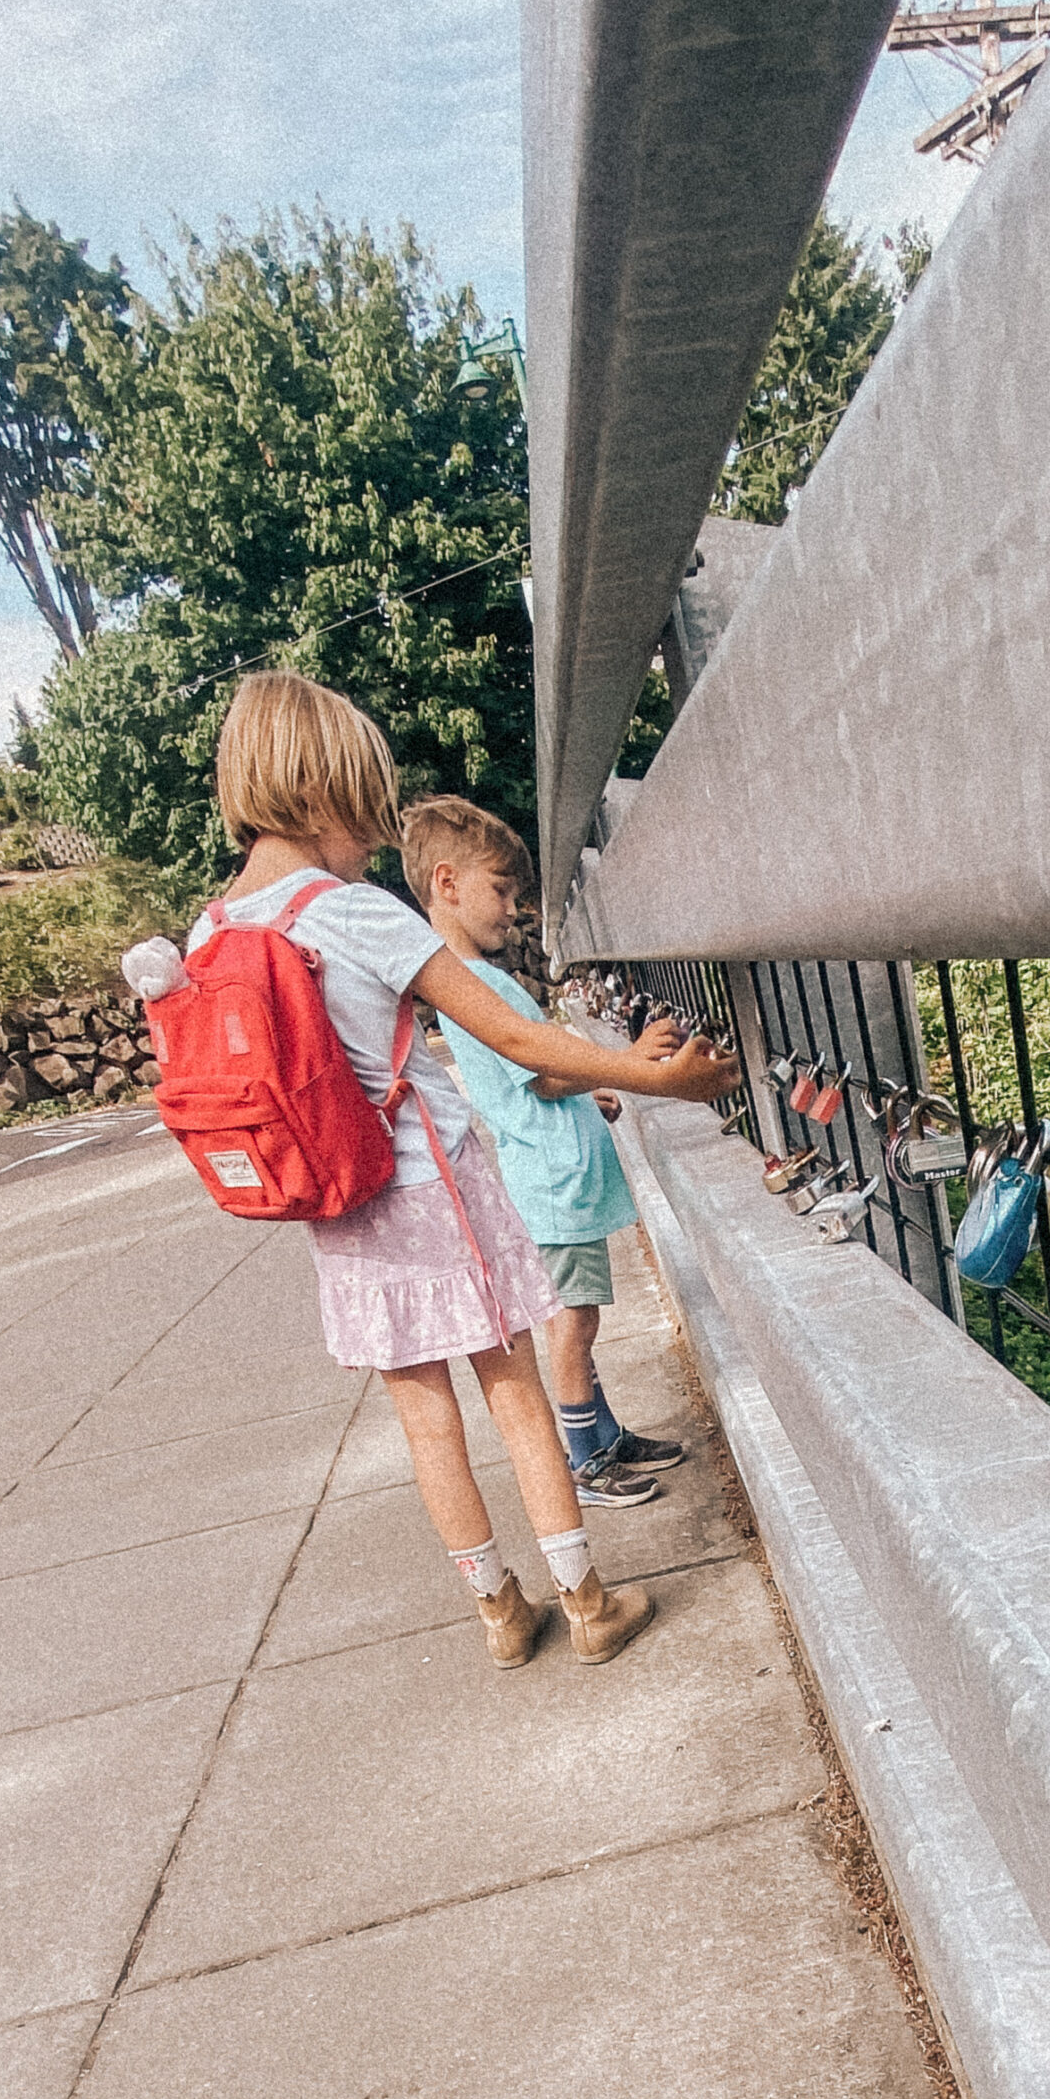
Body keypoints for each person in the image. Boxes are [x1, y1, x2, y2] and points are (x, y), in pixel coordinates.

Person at [193, 672, 738, 1667]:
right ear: (319, 788)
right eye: (361, 810)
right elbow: (521, 1040)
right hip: (426, 1184)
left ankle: (497, 1611)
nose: (369, 840)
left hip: (335, 1204)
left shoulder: (213, 928)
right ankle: (587, 1599)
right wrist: (653, 1075)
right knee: (514, 1389)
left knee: (421, 1411)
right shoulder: (345, 911)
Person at [401, 796, 686, 1510]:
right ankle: (585, 1457)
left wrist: (589, 1089)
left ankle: (605, 1431)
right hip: (555, 1182)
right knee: (574, 1319)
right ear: (447, 883)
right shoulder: (481, 987)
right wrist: (621, 1062)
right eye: (501, 890)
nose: (513, 909)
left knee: (576, 1314)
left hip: (556, 1174)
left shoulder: (474, 986)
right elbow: (547, 1069)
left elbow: (538, 1081)